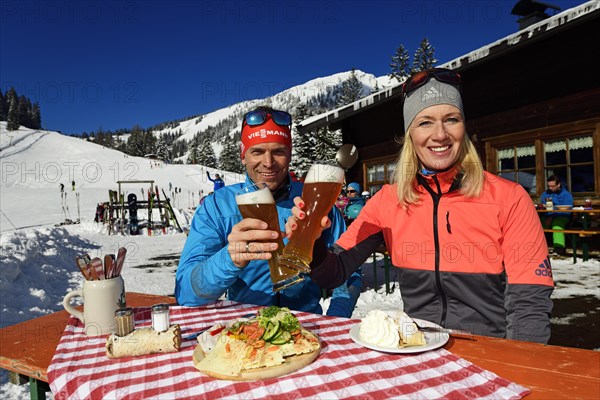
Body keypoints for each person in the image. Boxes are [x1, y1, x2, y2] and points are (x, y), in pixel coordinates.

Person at [285, 68, 553, 343]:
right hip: (417, 349)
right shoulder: (387, 201)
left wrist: (519, 364)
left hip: (489, 352)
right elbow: (335, 272)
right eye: (425, 122)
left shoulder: (509, 198)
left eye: (452, 119)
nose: (440, 135)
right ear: (409, 134)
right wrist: (314, 243)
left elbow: (530, 304)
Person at [176, 106, 361, 317]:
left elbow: (349, 272)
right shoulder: (217, 206)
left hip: (307, 327)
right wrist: (229, 259)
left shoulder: (317, 200)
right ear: (243, 155)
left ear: (289, 154)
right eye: (257, 151)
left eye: (278, 151)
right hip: (245, 331)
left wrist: (335, 318)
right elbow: (186, 293)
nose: (268, 163)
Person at [540, 175, 573, 256]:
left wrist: (553, 209)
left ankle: (559, 248)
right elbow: (542, 204)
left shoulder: (566, 195)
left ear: (558, 185)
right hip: (548, 216)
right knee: (535, 225)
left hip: (562, 216)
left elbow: (568, 209)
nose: (550, 188)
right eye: (549, 186)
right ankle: (534, 247)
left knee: (557, 225)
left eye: (553, 186)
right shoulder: (545, 194)